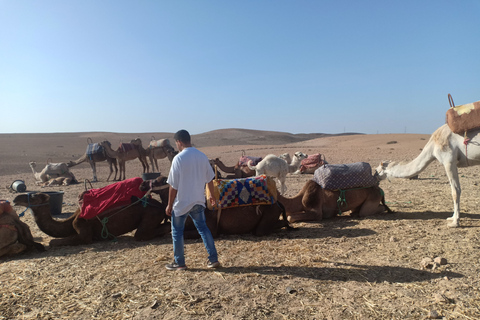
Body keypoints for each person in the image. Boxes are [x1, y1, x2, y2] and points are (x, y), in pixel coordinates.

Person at [165, 129, 220, 271]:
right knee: (203, 228)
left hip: (182, 202)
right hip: (198, 201)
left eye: (176, 143)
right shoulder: (202, 156)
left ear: (179, 142)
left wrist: (169, 204)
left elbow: (173, 185)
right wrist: (212, 197)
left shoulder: (178, 158)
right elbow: (210, 179)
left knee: (177, 231)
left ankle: (180, 262)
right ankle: (213, 259)